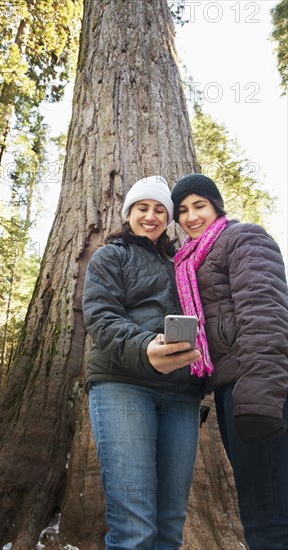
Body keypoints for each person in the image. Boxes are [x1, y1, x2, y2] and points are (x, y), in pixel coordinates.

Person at [82, 175, 203, 550]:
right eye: (142, 208)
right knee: (134, 528)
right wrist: (145, 347)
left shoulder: (183, 264)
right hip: (123, 384)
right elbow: (101, 318)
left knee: (169, 529)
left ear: (169, 218)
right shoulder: (111, 256)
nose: (150, 216)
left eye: (159, 210)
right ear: (129, 213)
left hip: (181, 396)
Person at [171, 173, 288, 550]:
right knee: (261, 504)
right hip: (231, 387)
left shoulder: (242, 237)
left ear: (216, 206)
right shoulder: (189, 260)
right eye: (183, 210)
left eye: (199, 205)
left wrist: (259, 397)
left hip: (257, 385)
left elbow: (265, 312)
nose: (191, 217)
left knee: (268, 514)